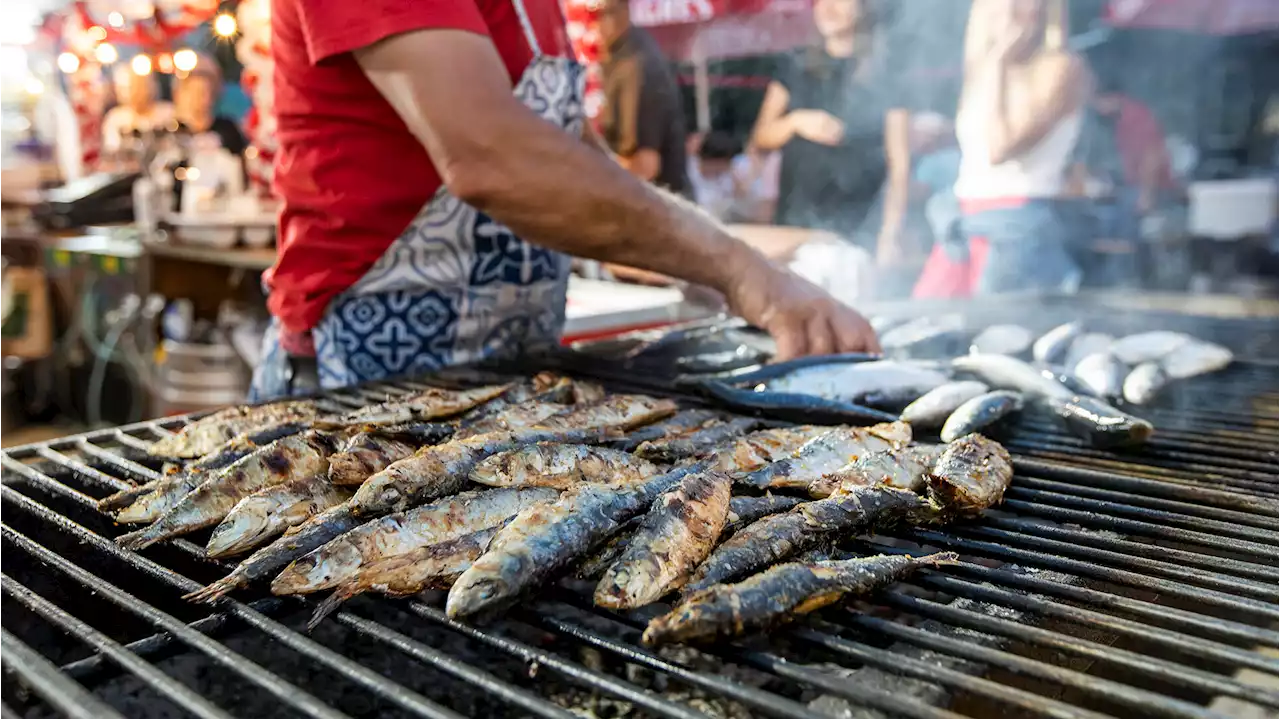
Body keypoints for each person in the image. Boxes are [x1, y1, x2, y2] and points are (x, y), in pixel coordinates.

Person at [256, 0, 879, 399]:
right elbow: (491, 156)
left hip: (504, 384)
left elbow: (592, 184)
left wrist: (738, 259)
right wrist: (742, 271)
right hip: (358, 388)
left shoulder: (536, 8)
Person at [749, 0, 911, 265]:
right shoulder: (795, 65)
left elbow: (900, 166)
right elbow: (760, 138)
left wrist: (891, 234)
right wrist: (796, 122)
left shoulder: (885, 73)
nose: (828, 7)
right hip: (795, 231)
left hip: (858, 232)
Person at [948, 0, 1089, 295]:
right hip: (964, 221)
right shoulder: (979, 67)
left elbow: (999, 148)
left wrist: (998, 65)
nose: (1010, 9)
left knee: (999, 332)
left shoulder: (1060, 66)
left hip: (1019, 227)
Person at [598, 0, 689, 195]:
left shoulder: (636, 66)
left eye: (597, 14)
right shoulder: (622, 59)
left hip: (656, 210)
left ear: (622, 13)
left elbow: (644, 164)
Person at [101, 66, 174, 160]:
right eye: (137, 85)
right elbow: (111, 149)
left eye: (147, 83)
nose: (143, 90)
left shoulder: (167, 113)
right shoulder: (117, 117)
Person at [174, 65, 248, 156]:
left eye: (203, 92)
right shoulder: (174, 130)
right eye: (193, 92)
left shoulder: (228, 130)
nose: (197, 98)